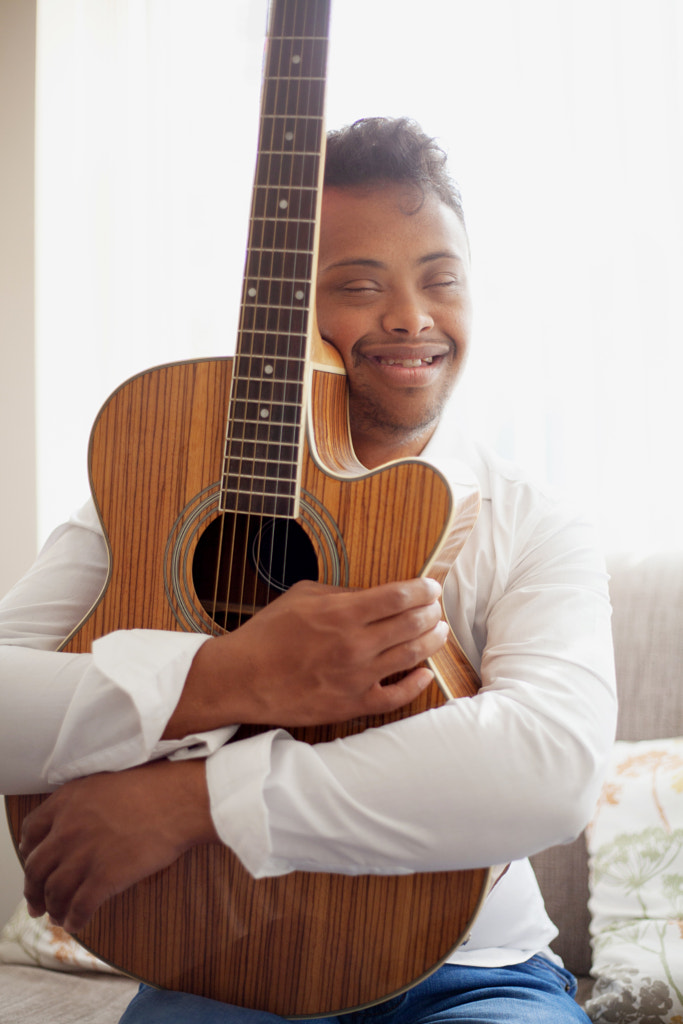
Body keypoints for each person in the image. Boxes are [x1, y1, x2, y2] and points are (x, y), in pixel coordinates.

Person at [0, 117, 616, 1023]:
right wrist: (226, 677)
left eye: (440, 280)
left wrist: (198, 801)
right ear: (280, 311)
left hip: (471, 972)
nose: (410, 316)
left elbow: (550, 765)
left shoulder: (536, 521)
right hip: (213, 964)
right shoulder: (156, 486)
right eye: (361, 286)